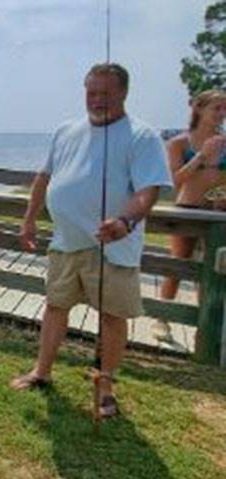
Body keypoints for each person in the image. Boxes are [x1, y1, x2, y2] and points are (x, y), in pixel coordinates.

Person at [11, 63, 172, 418]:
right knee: (55, 306)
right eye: (91, 92)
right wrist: (29, 220)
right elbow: (44, 178)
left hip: (112, 246)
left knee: (112, 317)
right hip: (65, 243)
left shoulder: (142, 136)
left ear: (123, 93)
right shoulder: (66, 130)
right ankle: (42, 371)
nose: (97, 100)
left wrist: (125, 221)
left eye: (105, 93)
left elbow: (149, 191)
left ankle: (106, 388)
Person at [155, 90, 226, 341]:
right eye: (216, 108)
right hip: (188, 211)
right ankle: (162, 318)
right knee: (178, 266)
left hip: (219, 215)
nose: (221, 113)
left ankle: (207, 326)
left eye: (224, 108)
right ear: (198, 109)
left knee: (213, 271)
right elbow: (174, 180)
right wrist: (202, 156)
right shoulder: (179, 143)